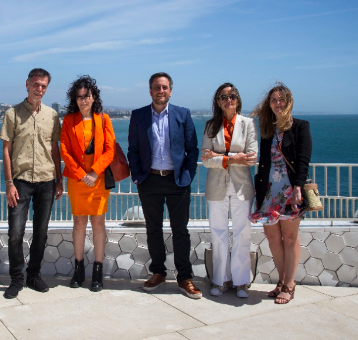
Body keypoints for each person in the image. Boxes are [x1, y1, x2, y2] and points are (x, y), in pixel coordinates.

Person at [127, 72, 201, 299]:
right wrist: (138, 176)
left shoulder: (182, 114)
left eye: (165, 87)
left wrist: (187, 175)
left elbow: (192, 149)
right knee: (153, 229)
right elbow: (133, 150)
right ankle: (158, 272)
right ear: (150, 91)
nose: (161, 91)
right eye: (157, 87)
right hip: (149, 180)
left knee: (180, 231)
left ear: (170, 90)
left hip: (177, 180)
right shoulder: (138, 115)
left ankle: (184, 277)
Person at [0, 68, 62, 299]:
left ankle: (33, 275)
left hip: (46, 180)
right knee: (15, 233)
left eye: (44, 86)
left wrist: (59, 180)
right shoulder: (12, 114)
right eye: (36, 84)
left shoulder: (52, 116)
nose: (39, 89)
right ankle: (17, 279)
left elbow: (55, 149)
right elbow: (6, 151)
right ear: (27, 84)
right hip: (20, 182)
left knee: (41, 233)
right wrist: (9, 183)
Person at [249, 82, 312, 304]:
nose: (278, 104)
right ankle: (281, 280)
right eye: (274, 100)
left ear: (289, 102)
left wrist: (298, 187)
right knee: (273, 238)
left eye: (281, 100)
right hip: (269, 192)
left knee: (290, 238)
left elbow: (303, 160)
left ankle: (289, 284)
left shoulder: (300, 126)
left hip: (290, 190)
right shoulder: (267, 129)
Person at [200, 83, 258, 298]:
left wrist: (219, 156)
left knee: (243, 233)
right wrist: (234, 158)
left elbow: (251, 157)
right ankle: (220, 279)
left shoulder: (248, 124)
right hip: (217, 186)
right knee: (218, 232)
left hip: (242, 186)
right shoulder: (210, 126)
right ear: (218, 101)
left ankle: (241, 281)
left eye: (232, 96)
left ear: (238, 99)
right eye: (223, 97)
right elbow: (205, 160)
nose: (228, 100)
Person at [60, 76, 116, 292]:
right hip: (77, 180)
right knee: (79, 223)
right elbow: (65, 150)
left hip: (98, 179)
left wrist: (94, 172)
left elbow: (110, 150)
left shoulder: (104, 119)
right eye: (80, 97)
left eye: (87, 96)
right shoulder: (68, 120)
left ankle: (98, 270)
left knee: (98, 223)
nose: (83, 100)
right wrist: (82, 174)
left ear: (94, 98)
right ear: (75, 99)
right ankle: (78, 268)